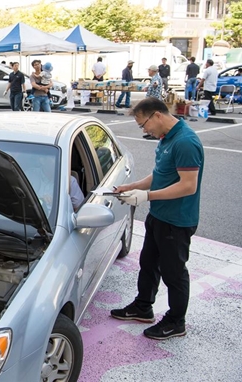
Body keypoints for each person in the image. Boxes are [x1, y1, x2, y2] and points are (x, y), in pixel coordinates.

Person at [110, 97, 204, 341]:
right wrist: (131, 186)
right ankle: (143, 307)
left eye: (144, 125)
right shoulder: (166, 139)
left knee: (174, 273)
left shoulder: (185, 142)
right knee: (149, 264)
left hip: (177, 220)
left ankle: (176, 321)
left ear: (157, 115)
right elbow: (160, 174)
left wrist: (146, 196)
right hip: (159, 215)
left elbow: (188, 186)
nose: (145, 130)